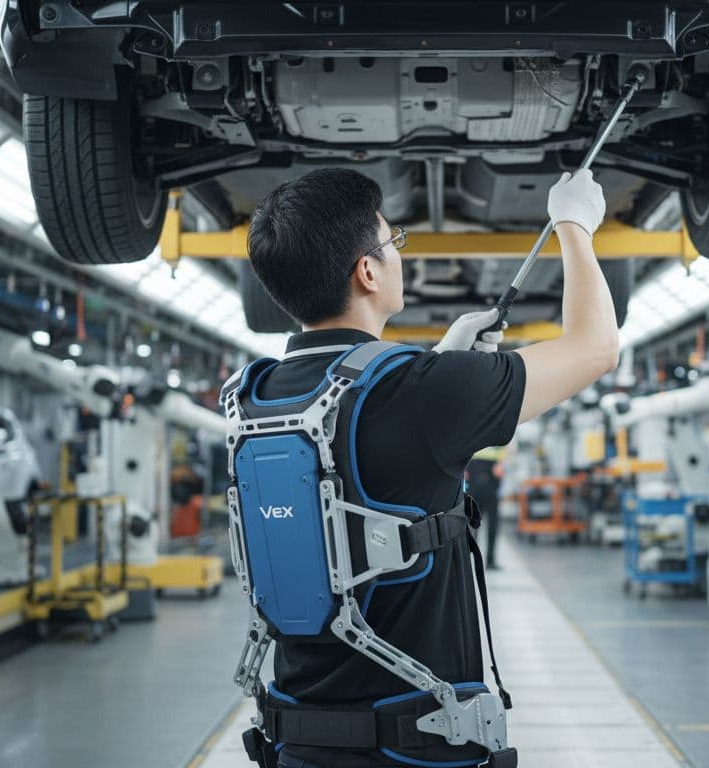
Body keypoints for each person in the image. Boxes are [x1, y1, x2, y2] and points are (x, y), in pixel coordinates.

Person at [239, 166, 618, 768]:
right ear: (367, 271)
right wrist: (574, 223)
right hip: (415, 747)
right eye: (393, 243)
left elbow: (359, 443)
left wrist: (444, 362)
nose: (397, 256)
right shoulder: (425, 394)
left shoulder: (255, 398)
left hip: (295, 741)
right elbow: (595, 348)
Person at [466, 446, 505, 570]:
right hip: (477, 472)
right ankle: (474, 559)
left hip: (487, 474)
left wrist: (502, 463)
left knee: (488, 525)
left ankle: (489, 560)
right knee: (473, 525)